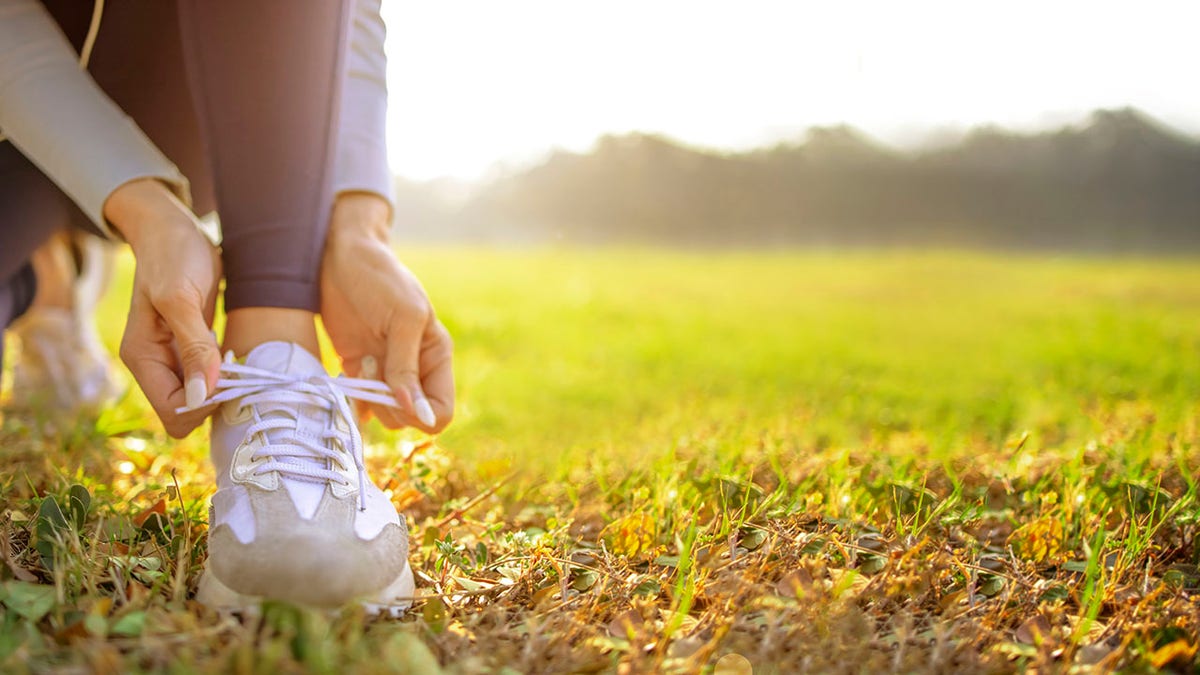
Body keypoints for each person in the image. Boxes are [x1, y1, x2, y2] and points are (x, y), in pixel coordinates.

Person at [0, 0, 454, 613]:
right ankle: (47, 279)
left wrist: (359, 226)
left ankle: (275, 344)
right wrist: (146, 210)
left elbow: (352, 18)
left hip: (200, 98)